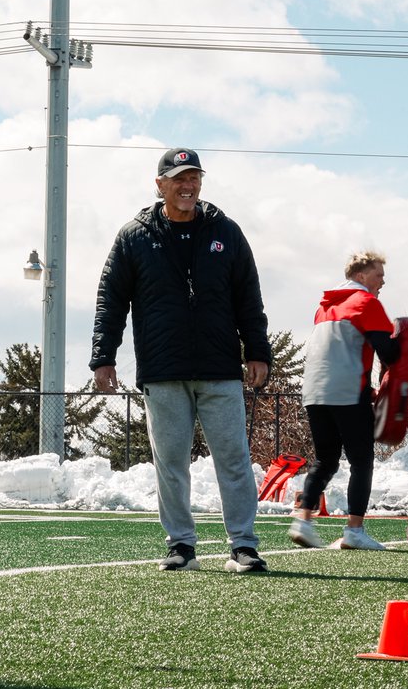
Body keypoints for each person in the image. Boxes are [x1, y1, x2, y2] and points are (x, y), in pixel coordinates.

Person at [90, 147, 272, 573]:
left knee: (234, 459)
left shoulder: (226, 231)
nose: (187, 186)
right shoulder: (133, 236)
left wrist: (257, 351)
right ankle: (181, 545)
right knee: (170, 462)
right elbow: (110, 301)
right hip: (163, 368)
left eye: (194, 179)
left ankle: (244, 545)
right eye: (178, 179)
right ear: (160, 185)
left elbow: (249, 298)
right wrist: (104, 357)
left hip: (219, 367)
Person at [289, 251, 400, 551]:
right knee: (361, 461)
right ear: (362, 276)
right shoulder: (367, 302)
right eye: (379, 275)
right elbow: (388, 353)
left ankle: (303, 521)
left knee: (325, 460)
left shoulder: (324, 307)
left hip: (314, 393)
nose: (383, 281)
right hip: (348, 392)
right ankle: (354, 530)